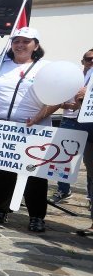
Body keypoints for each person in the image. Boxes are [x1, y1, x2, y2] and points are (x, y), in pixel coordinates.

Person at [0, 26, 55, 232]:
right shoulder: (0, 66)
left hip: (33, 129)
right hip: (1, 128)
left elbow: (58, 98)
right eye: (16, 41)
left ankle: (37, 217)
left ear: (35, 45)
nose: (20, 45)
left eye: (26, 41)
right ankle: (0, 211)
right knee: (3, 174)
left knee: (34, 175)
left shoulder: (45, 67)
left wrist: (40, 116)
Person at [50, 48, 93, 203]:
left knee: (90, 162)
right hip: (70, 120)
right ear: (83, 61)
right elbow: (58, 99)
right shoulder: (74, 78)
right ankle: (63, 190)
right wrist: (68, 105)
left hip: (88, 122)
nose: (92, 62)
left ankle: (90, 197)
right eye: (89, 59)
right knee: (63, 157)